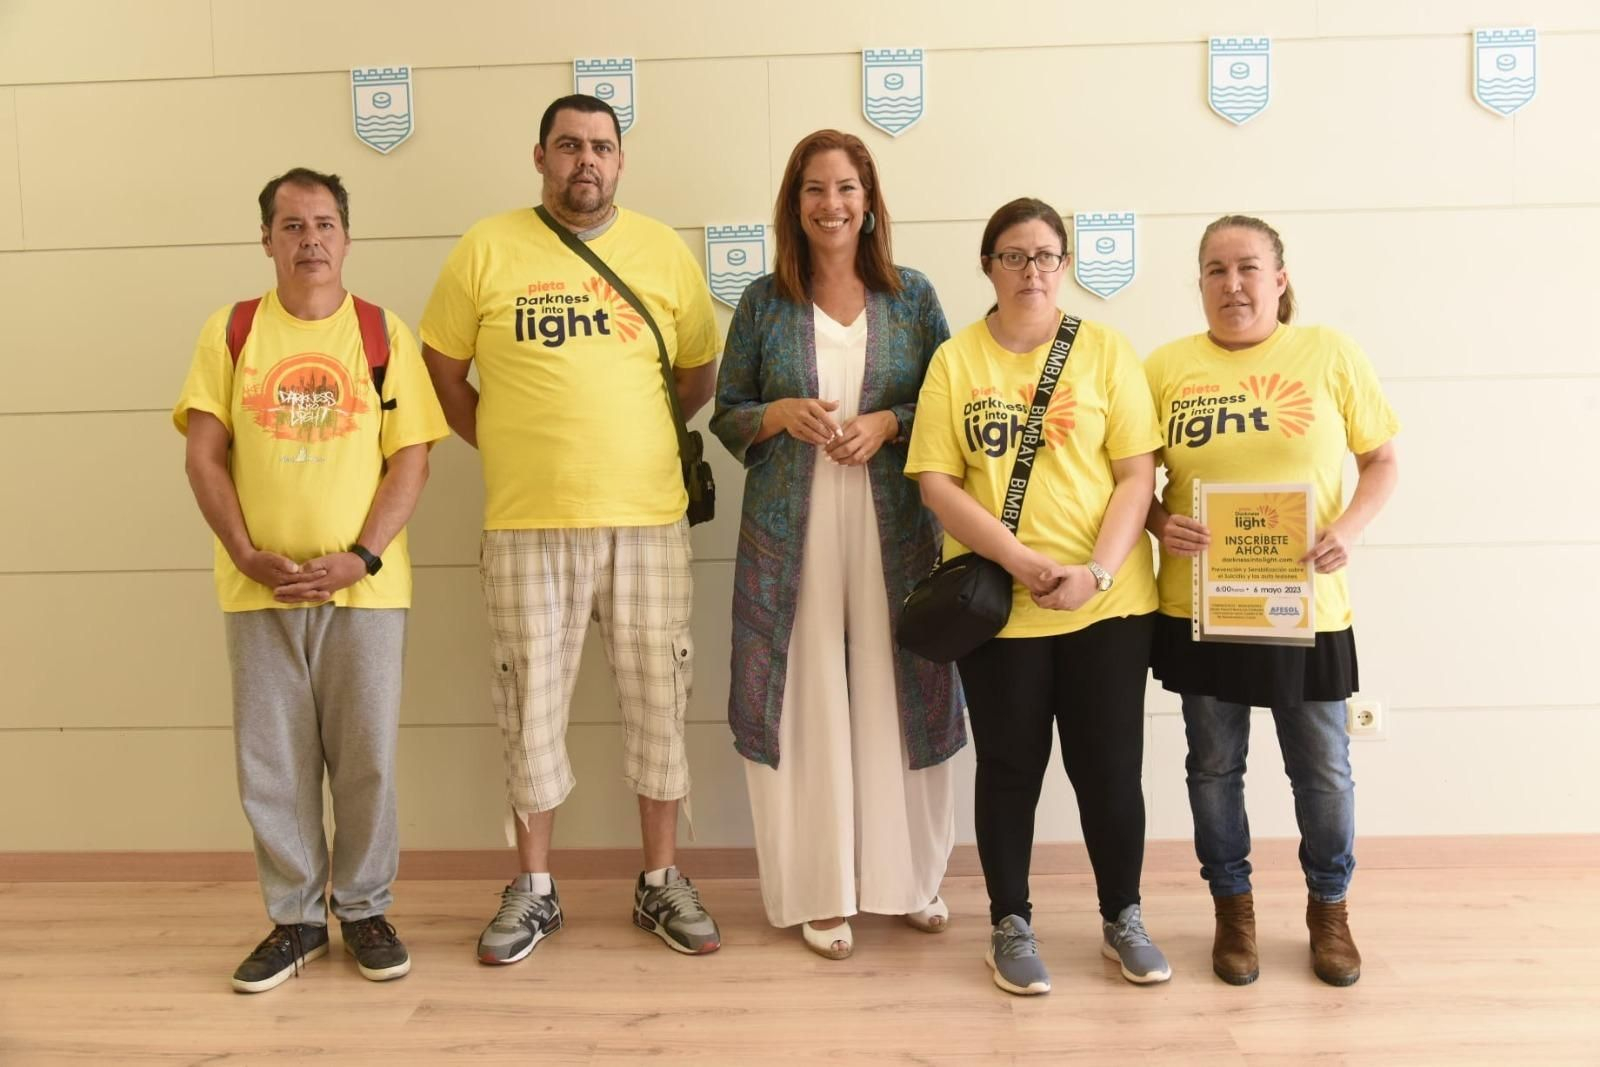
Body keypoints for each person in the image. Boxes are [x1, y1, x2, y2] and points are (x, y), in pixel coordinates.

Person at [419, 94, 723, 963]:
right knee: (528, 707)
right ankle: (535, 888)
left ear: (620, 161)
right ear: (540, 156)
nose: (585, 160)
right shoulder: (486, 248)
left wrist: (624, 441)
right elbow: (443, 370)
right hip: (527, 522)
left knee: (660, 701)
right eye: (568, 145)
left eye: (600, 146)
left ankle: (660, 879)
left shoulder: (662, 252)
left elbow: (696, 375)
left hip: (648, 519)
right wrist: (511, 442)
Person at [174, 167, 448, 993]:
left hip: (366, 591)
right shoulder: (231, 331)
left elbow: (411, 459)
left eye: (324, 224)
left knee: (366, 758)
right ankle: (295, 919)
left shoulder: (381, 332)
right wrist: (244, 552)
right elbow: (203, 455)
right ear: (266, 239)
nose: (310, 240)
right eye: (292, 226)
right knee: (275, 763)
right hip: (258, 589)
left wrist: (362, 555)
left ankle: (363, 908)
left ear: (347, 237)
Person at [905, 197, 1171, 995]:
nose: (1032, 270)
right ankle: (1009, 922)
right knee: (1010, 768)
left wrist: (1095, 571)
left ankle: (1123, 916)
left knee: (1110, 770)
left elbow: (1136, 476)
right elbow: (936, 483)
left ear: (1066, 265)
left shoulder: (1106, 350)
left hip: (1109, 605)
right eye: (1014, 256)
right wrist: (1021, 561)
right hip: (1000, 609)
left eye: (1047, 255)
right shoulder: (957, 360)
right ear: (988, 265)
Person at [709, 130, 963, 960]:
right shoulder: (763, 301)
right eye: (815, 189)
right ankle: (820, 887)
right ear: (795, 204)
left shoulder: (913, 296)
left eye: (847, 187)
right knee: (806, 691)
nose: (832, 203)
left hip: (896, 525)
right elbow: (728, 412)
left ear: (870, 200)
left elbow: (952, 406)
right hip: (792, 530)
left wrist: (888, 422)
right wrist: (778, 414)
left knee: (904, 684)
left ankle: (910, 878)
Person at [1144, 214, 1400, 987]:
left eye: (1248, 267)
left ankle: (1331, 910)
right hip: (1202, 605)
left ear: (1279, 279)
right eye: (1215, 270)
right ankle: (1234, 911)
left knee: (1323, 771)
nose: (1233, 284)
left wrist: (1347, 529)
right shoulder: (1164, 368)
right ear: (1199, 283)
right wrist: (1159, 521)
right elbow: (1130, 479)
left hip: (1305, 607)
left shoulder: (1328, 353)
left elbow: (1382, 460)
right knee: (1214, 767)